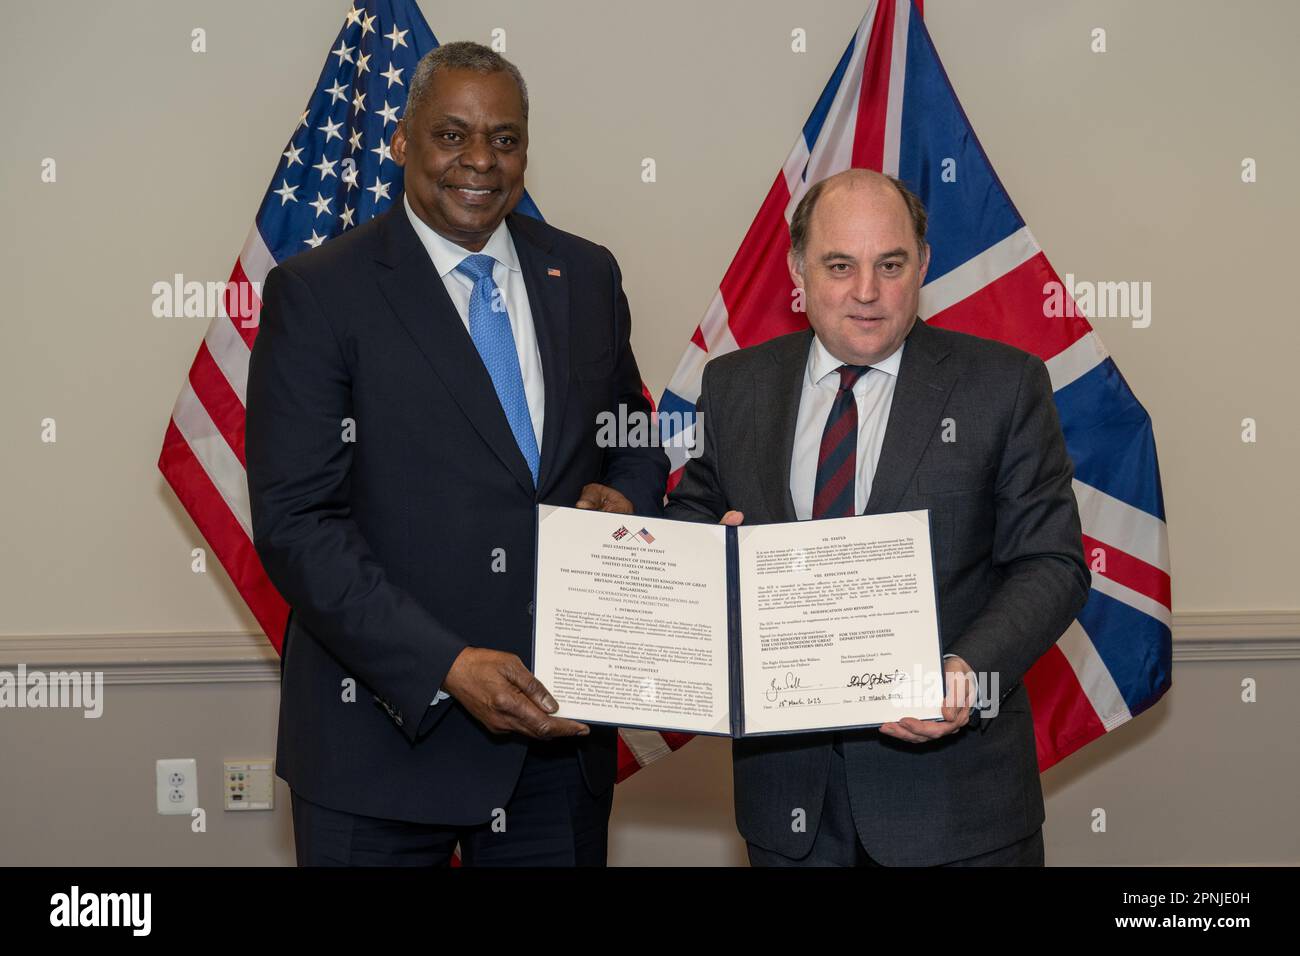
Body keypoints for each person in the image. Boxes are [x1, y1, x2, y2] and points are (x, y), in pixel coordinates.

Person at [246, 41, 667, 866]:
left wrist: (630, 500)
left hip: (556, 746)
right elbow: (298, 523)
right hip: (379, 748)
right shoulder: (319, 292)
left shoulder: (583, 274)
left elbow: (633, 435)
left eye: (505, 139)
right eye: (452, 135)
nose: (480, 160)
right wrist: (446, 665)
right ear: (402, 142)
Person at [665, 168, 1090, 866]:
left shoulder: (1004, 385)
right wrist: (708, 560)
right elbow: (697, 517)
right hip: (789, 807)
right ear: (798, 269)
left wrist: (966, 671)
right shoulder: (734, 384)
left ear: (921, 265)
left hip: (957, 808)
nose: (866, 291)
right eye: (840, 265)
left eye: (889, 265)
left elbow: (1052, 563)